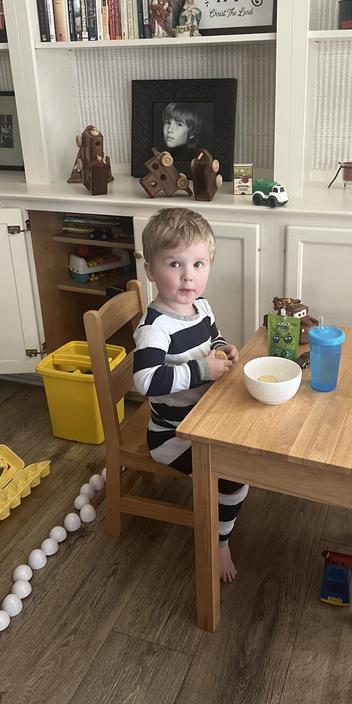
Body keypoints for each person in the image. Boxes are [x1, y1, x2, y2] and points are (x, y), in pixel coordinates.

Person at [132, 208, 247, 583]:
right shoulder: (155, 328)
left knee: (251, 444)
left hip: (205, 417)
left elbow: (212, 338)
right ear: (150, 270)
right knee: (236, 476)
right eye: (175, 264)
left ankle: (224, 516)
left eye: (198, 264)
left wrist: (222, 349)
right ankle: (220, 541)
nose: (188, 275)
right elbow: (146, 380)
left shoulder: (202, 307)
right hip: (173, 435)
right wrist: (201, 371)